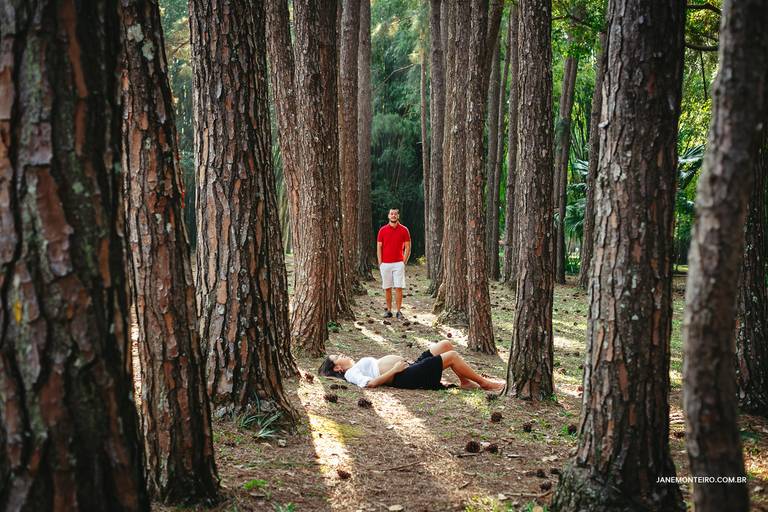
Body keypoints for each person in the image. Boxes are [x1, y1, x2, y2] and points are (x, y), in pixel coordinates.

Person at [318, 341, 505, 391]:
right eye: (338, 357)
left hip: (408, 368)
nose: (342, 355)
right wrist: (395, 370)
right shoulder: (351, 374)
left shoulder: (355, 366)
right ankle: (484, 383)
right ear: (337, 369)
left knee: (445, 346)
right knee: (452, 356)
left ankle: (465, 381)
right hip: (404, 377)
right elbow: (370, 384)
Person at [377, 208, 410, 320]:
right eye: (391, 214)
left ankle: (399, 311)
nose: (393, 215)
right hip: (385, 264)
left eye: (395, 214)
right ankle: (389, 310)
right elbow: (379, 247)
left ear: (398, 216)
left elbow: (408, 247)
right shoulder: (382, 230)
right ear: (388, 216)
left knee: (398, 287)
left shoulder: (404, 230)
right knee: (387, 288)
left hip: (398, 264)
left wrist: (403, 262)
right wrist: (380, 262)